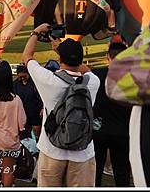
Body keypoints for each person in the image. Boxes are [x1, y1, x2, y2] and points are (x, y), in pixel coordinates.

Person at [22, 23, 100, 187]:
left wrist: (36, 33)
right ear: (81, 60)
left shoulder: (49, 81)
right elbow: (86, 70)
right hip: (83, 152)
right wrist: (64, 51)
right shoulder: (93, 82)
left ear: (59, 60)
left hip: (52, 150)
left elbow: (27, 57)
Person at [93, 42, 131, 186]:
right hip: (122, 131)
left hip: (98, 130)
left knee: (95, 172)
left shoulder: (96, 75)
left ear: (107, 57)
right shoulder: (132, 78)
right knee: (122, 173)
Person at [13, 64, 43, 139]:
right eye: (20, 77)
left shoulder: (35, 82)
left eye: (24, 76)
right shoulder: (15, 84)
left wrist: (42, 108)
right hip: (22, 113)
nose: (22, 78)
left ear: (28, 74)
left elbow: (42, 95)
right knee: (24, 135)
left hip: (35, 112)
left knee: (37, 135)